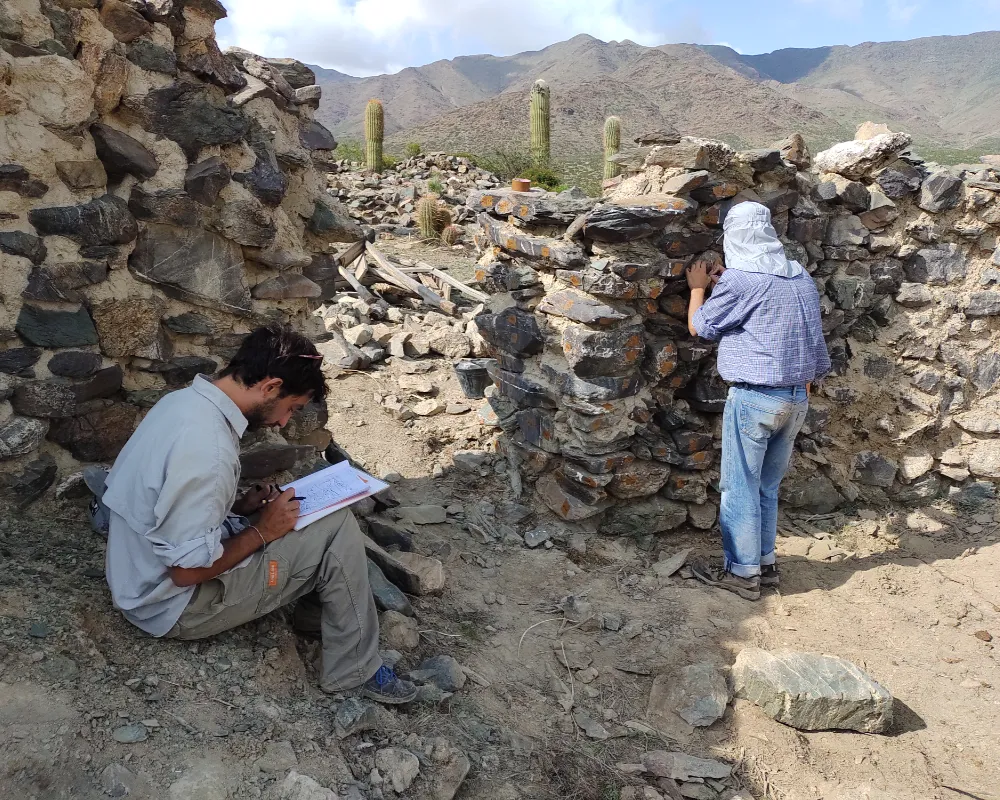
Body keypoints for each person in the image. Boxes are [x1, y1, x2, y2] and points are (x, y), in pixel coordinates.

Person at [98, 323, 416, 704]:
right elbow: (184, 572)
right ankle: (353, 671)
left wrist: (238, 510)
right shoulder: (211, 452)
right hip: (171, 605)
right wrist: (262, 531)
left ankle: (319, 616)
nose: (283, 422)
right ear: (271, 386)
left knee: (308, 516)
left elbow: (166, 506)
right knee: (336, 523)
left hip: (134, 577)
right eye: (291, 408)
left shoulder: (181, 405)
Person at [684, 201, 831, 601]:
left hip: (755, 398)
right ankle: (765, 566)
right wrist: (726, 281)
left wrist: (698, 287)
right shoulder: (798, 275)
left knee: (739, 487)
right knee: (767, 487)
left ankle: (742, 574)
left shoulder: (741, 282)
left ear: (732, 236)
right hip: (797, 395)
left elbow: (701, 326)